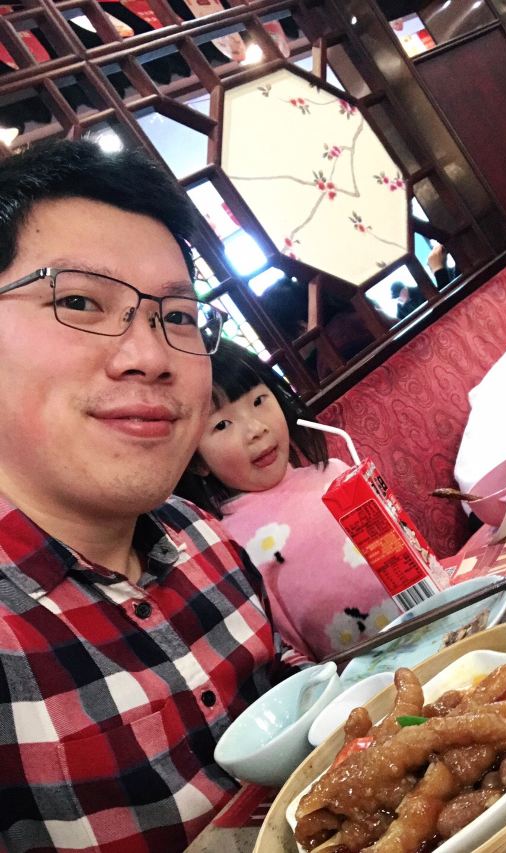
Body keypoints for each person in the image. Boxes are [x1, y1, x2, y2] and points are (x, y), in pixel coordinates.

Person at [0, 139, 307, 852]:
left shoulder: (199, 534)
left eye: (177, 317)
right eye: (80, 301)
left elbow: (282, 694)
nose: (151, 356)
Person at [176, 339, 400, 660]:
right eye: (222, 424)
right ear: (196, 461)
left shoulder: (336, 473)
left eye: (259, 401)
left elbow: (408, 552)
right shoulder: (229, 543)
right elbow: (281, 649)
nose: (256, 429)